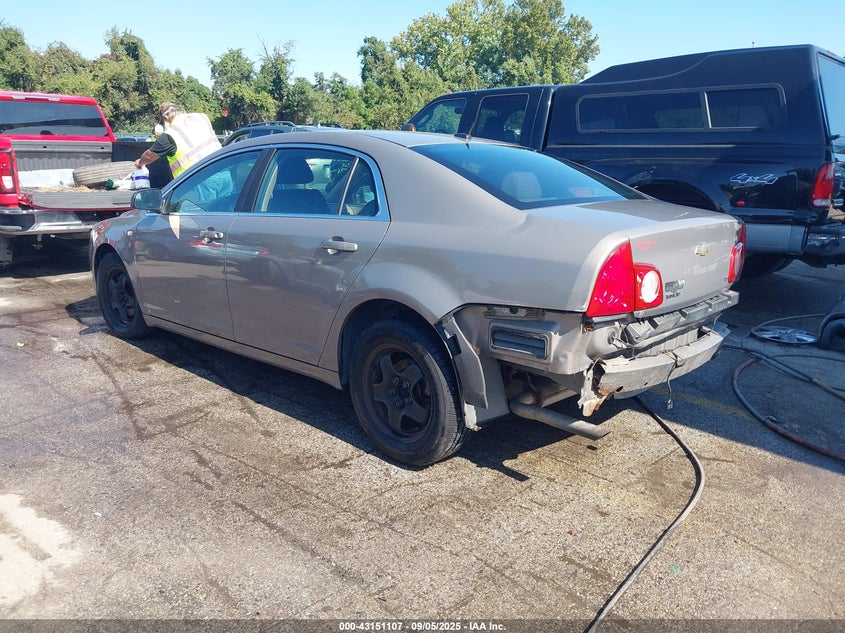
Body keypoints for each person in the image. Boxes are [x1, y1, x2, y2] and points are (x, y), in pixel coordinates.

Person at [134, 103, 222, 179]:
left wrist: (140, 162)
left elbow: (149, 156)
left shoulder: (171, 134)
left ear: (165, 120)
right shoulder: (201, 118)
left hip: (200, 180)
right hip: (223, 169)